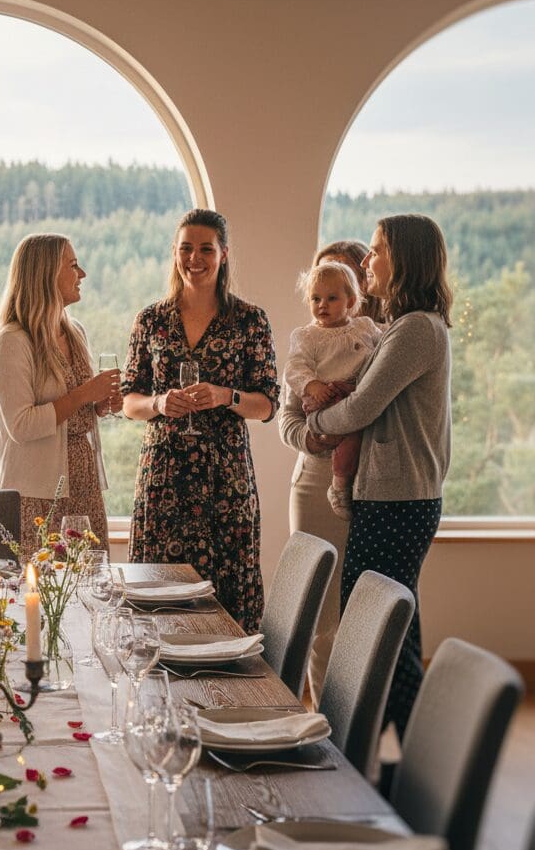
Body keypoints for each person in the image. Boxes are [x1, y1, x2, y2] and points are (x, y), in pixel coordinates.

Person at [307, 214, 452, 737]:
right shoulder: (406, 327)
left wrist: (313, 425)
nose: (366, 260)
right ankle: (414, 760)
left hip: (399, 500)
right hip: (394, 498)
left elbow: (362, 407)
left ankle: (383, 751)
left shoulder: (415, 329)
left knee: (375, 630)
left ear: (405, 260)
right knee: (394, 632)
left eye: (376, 250)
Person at [122, 209, 279, 633]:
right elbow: (128, 401)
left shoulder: (250, 321)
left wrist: (226, 396)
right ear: (175, 254)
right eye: (186, 248)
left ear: (223, 254)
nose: (196, 258)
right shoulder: (150, 320)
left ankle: (234, 690)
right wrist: (158, 402)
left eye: (206, 249)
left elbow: (267, 405)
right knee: (159, 594)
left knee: (227, 594)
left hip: (225, 480)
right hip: (164, 477)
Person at [279, 239, 377, 709]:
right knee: (323, 612)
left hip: (374, 481)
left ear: (355, 293)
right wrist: (319, 434)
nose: (322, 305)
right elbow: (288, 422)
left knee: (365, 608)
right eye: (315, 295)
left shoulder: (373, 336)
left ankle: (358, 725)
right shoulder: (307, 346)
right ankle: (325, 717)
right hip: (317, 482)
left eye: (333, 293)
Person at [0, 233, 121, 557]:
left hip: (84, 484)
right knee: (43, 592)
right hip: (39, 492)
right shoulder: (13, 341)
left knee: (90, 583)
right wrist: (85, 393)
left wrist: (99, 405)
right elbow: (21, 425)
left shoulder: (75, 332)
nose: (82, 274)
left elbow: (76, 409)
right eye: (73, 265)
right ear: (45, 274)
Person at [283, 261, 382, 520]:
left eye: (331, 298)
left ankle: (342, 484)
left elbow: (385, 355)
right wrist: (312, 385)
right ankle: (339, 486)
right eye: (315, 298)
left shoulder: (365, 328)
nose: (322, 305)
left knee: (356, 434)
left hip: (355, 398)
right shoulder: (307, 337)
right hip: (323, 400)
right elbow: (294, 369)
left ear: (351, 300)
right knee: (347, 436)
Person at [315, 239, 382, 323]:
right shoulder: (310, 333)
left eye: (341, 276)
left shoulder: (382, 331)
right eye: (323, 276)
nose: (328, 285)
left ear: (365, 281)